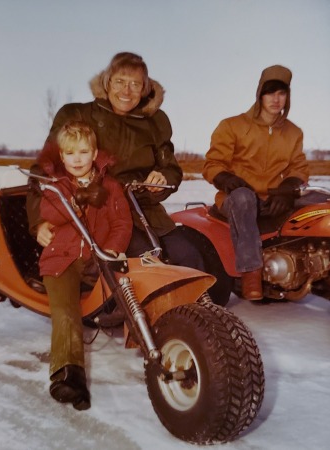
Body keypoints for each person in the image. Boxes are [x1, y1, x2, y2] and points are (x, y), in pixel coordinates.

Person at [27, 51, 204, 271]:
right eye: (119, 81)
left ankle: (191, 307)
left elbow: (171, 169)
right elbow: (42, 172)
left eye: (135, 84)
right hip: (98, 212)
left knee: (189, 258)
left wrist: (161, 179)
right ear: (107, 82)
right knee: (145, 266)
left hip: (145, 211)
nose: (126, 91)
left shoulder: (155, 122)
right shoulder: (77, 115)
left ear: (145, 88)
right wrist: (39, 222)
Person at [37, 120, 133, 410]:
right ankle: (69, 376)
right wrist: (79, 198)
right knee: (66, 312)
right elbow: (50, 212)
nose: (76, 159)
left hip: (98, 259)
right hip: (61, 261)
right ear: (62, 158)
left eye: (82, 151)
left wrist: (111, 251)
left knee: (132, 287)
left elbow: (122, 224)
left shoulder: (112, 187)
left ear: (94, 154)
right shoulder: (56, 187)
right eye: (69, 153)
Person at [202, 64, 311, 300]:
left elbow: (299, 168)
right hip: (235, 198)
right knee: (243, 198)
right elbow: (212, 164)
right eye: (270, 92)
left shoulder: (294, 133)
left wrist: (286, 189)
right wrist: (227, 179)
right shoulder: (232, 125)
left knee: (317, 203)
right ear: (259, 94)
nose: (275, 99)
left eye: (281, 93)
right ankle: (251, 271)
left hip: (271, 199)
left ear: (287, 97)